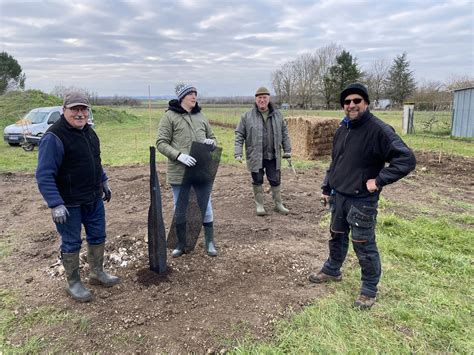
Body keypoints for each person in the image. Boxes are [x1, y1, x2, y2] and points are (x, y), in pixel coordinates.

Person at [309, 82, 416, 309]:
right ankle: (332, 270)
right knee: (336, 236)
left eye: (357, 100)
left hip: (362, 201)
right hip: (339, 196)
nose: (351, 105)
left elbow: (406, 159)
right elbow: (335, 162)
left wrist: (378, 180)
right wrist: (327, 188)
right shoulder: (343, 128)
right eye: (347, 102)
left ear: (366, 103)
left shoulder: (379, 130)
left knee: (363, 244)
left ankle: (369, 289)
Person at [36, 92, 120, 303]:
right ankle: (73, 283)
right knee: (72, 242)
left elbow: (95, 161)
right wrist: (55, 204)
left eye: (83, 109)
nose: (80, 113)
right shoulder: (53, 137)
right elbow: (44, 175)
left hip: (93, 198)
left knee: (98, 235)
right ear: (64, 110)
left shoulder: (90, 133)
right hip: (69, 204)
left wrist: (104, 181)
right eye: (75, 109)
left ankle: (96, 273)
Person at [156, 84, 218, 257]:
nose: (194, 96)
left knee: (205, 207)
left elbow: (213, 137)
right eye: (190, 93)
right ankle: (180, 243)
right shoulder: (169, 116)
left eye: (195, 93)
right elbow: (161, 142)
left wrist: (211, 142)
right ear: (182, 97)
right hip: (179, 171)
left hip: (201, 170)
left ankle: (210, 242)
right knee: (180, 208)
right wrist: (178, 156)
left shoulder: (201, 115)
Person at [234, 87, 292, 216]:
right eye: (259, 98)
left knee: (275, 179)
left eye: (264, 97)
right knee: (257, 179)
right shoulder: (247, 116)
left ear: (268, 98)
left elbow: (284, 133)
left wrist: (287, 150)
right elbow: (239, 135)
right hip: (255, 155)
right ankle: (259, 205)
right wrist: (238, 152)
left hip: (273, 155)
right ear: (256, 99)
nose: (262, 100)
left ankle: (278, 204)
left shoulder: (278, 115)